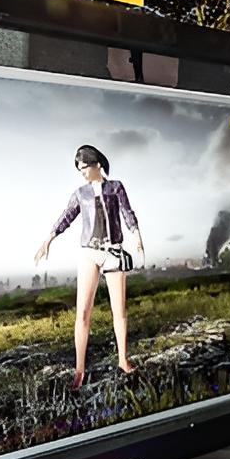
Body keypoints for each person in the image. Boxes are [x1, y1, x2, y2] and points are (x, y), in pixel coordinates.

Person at [34, 144, 144, 387]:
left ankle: (123, 360)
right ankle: (79, 370)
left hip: (113, 252)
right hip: (89, 253)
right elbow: (66, 216)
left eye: (85, 167)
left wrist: (137, 237)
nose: (82, 172)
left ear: (97, 164)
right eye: (79, 169)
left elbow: (127, 213)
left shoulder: (116, 187)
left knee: (119, 312)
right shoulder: (80, 193)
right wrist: (48, 240)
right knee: (82, 313)